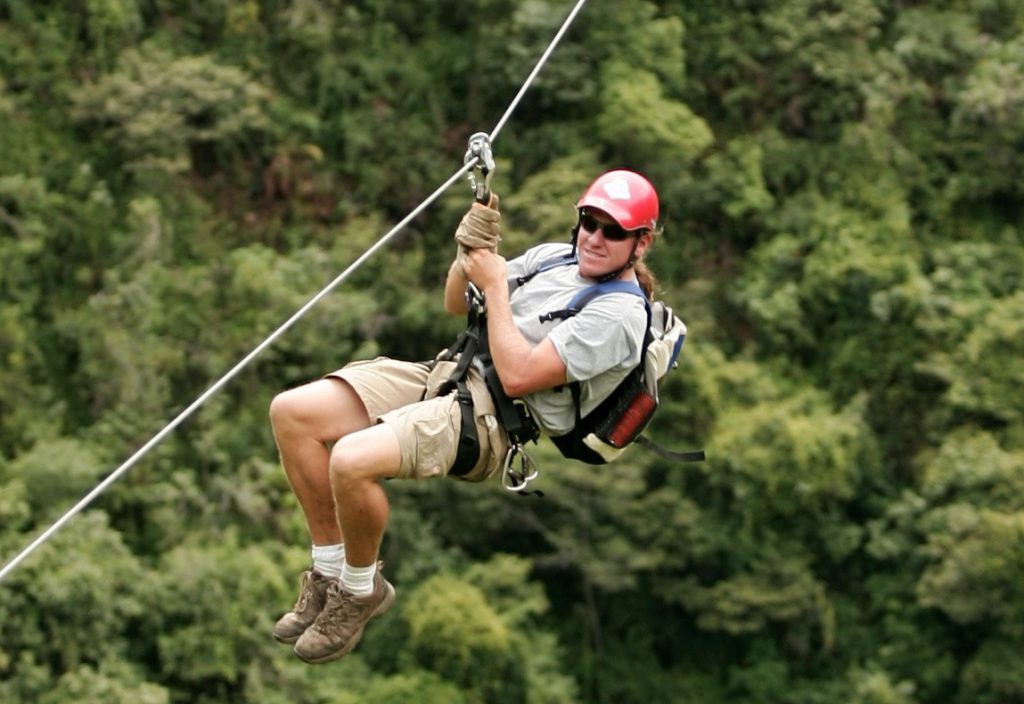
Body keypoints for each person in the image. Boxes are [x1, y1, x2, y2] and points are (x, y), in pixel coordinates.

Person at [268, 169, 661, 664]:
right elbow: (457, 302)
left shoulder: (621, 316)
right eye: (589, 222)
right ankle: (328, 572)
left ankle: (360, 589)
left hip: (493, 421)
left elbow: (518, 376)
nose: (595, 238)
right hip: (450, 373)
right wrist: (469, 252)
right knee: (292, 414)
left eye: (613, 231)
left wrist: (495, 285)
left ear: (641, 243)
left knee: (350, 460)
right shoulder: (552, 258)